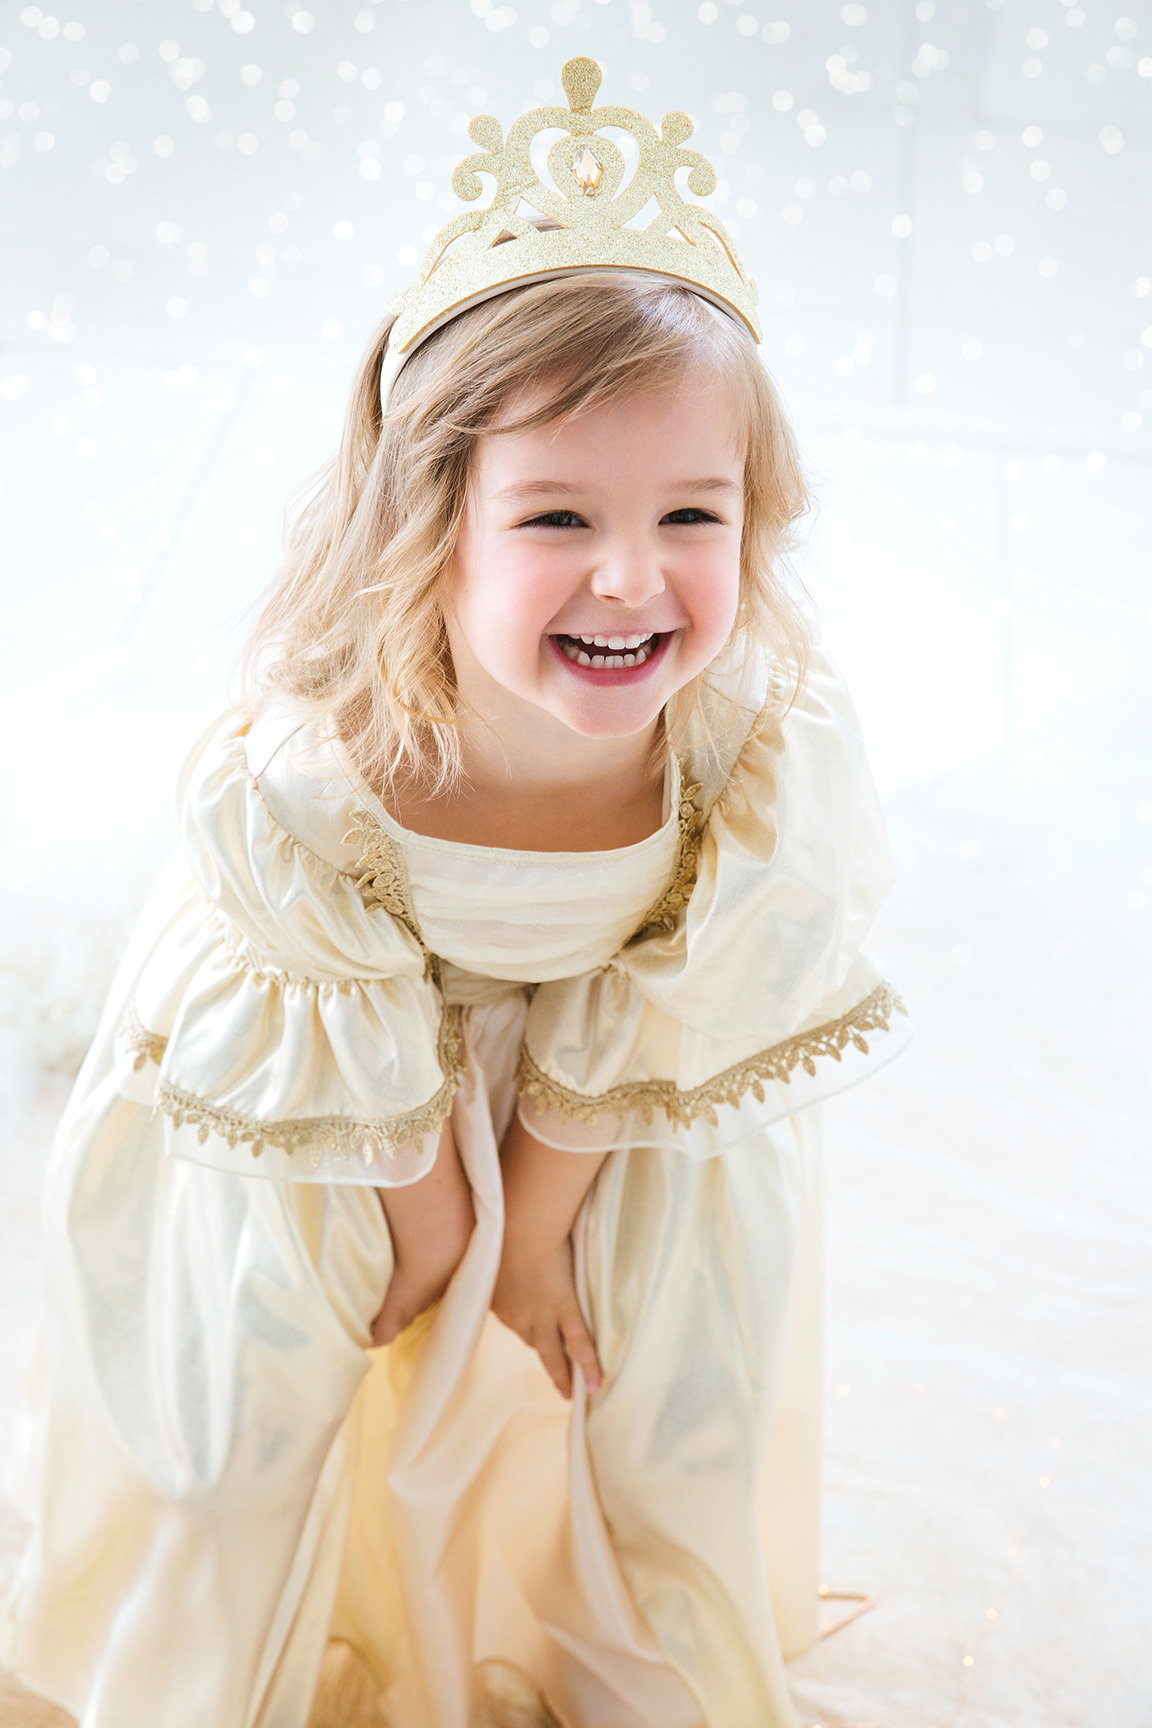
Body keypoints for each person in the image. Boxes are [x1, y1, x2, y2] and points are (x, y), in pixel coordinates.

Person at [0, 58, 910, 1728]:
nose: (630, 577)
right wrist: (442, 1232)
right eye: (556, 515)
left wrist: (537, 1228)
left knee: (671, 1398)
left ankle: (596, 1635)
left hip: (606, 1094)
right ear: (434, 529)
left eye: (691, 515)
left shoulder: (755, 754)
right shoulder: (329, 762)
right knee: (242, 1424)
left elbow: (681, 996)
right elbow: (336, 1025)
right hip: (333, 1096)